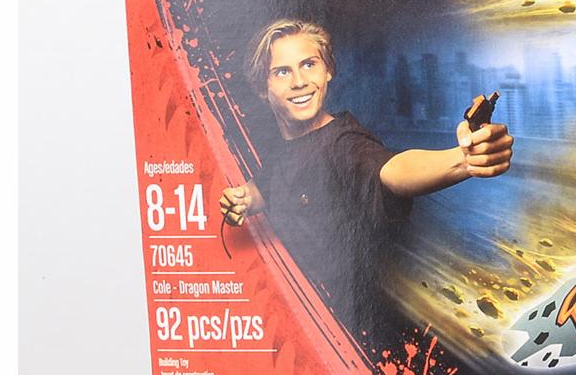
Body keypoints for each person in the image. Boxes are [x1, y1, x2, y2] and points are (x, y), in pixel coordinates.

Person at [219, 18, 513, 351]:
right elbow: (270, 184)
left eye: (309, 64)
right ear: (263, 88)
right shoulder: (281, 148)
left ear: (328, 71)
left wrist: (462, 160)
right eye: (282, 72)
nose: (299, 81)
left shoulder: (344, 143)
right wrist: (244, 198)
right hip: (297, 330)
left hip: (347, 337)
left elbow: (391, 171)